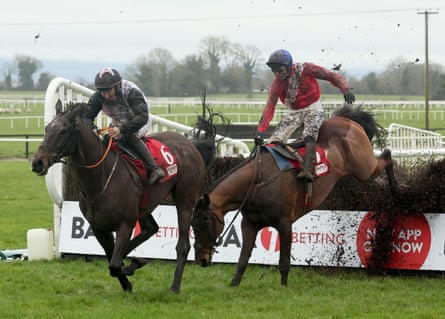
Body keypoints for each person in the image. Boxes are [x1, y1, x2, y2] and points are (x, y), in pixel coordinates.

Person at [255, 49, 355, 182]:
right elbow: (270, 106)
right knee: (274, 140)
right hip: (293, 111)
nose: (277, 73)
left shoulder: (306, 69)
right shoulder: (276, 84)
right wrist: (260, 131)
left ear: (289, 65)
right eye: (274, 70)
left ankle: (308, 170)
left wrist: (345, 89)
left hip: (313, 107)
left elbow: (330, 75)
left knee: (310, 134)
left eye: (280, 69)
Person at [83, 67, 165, 184]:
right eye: (103, 92)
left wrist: (121, 129)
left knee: (129, 136)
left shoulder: (131, 91)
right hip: (119, 120)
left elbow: (142, 117)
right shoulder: (97, 97)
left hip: (139, 120)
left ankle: (155, 169)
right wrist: (93, 129)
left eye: (109, 91)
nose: (106, 96)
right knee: (107, 139)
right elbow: (86, 117)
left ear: (117, 86)